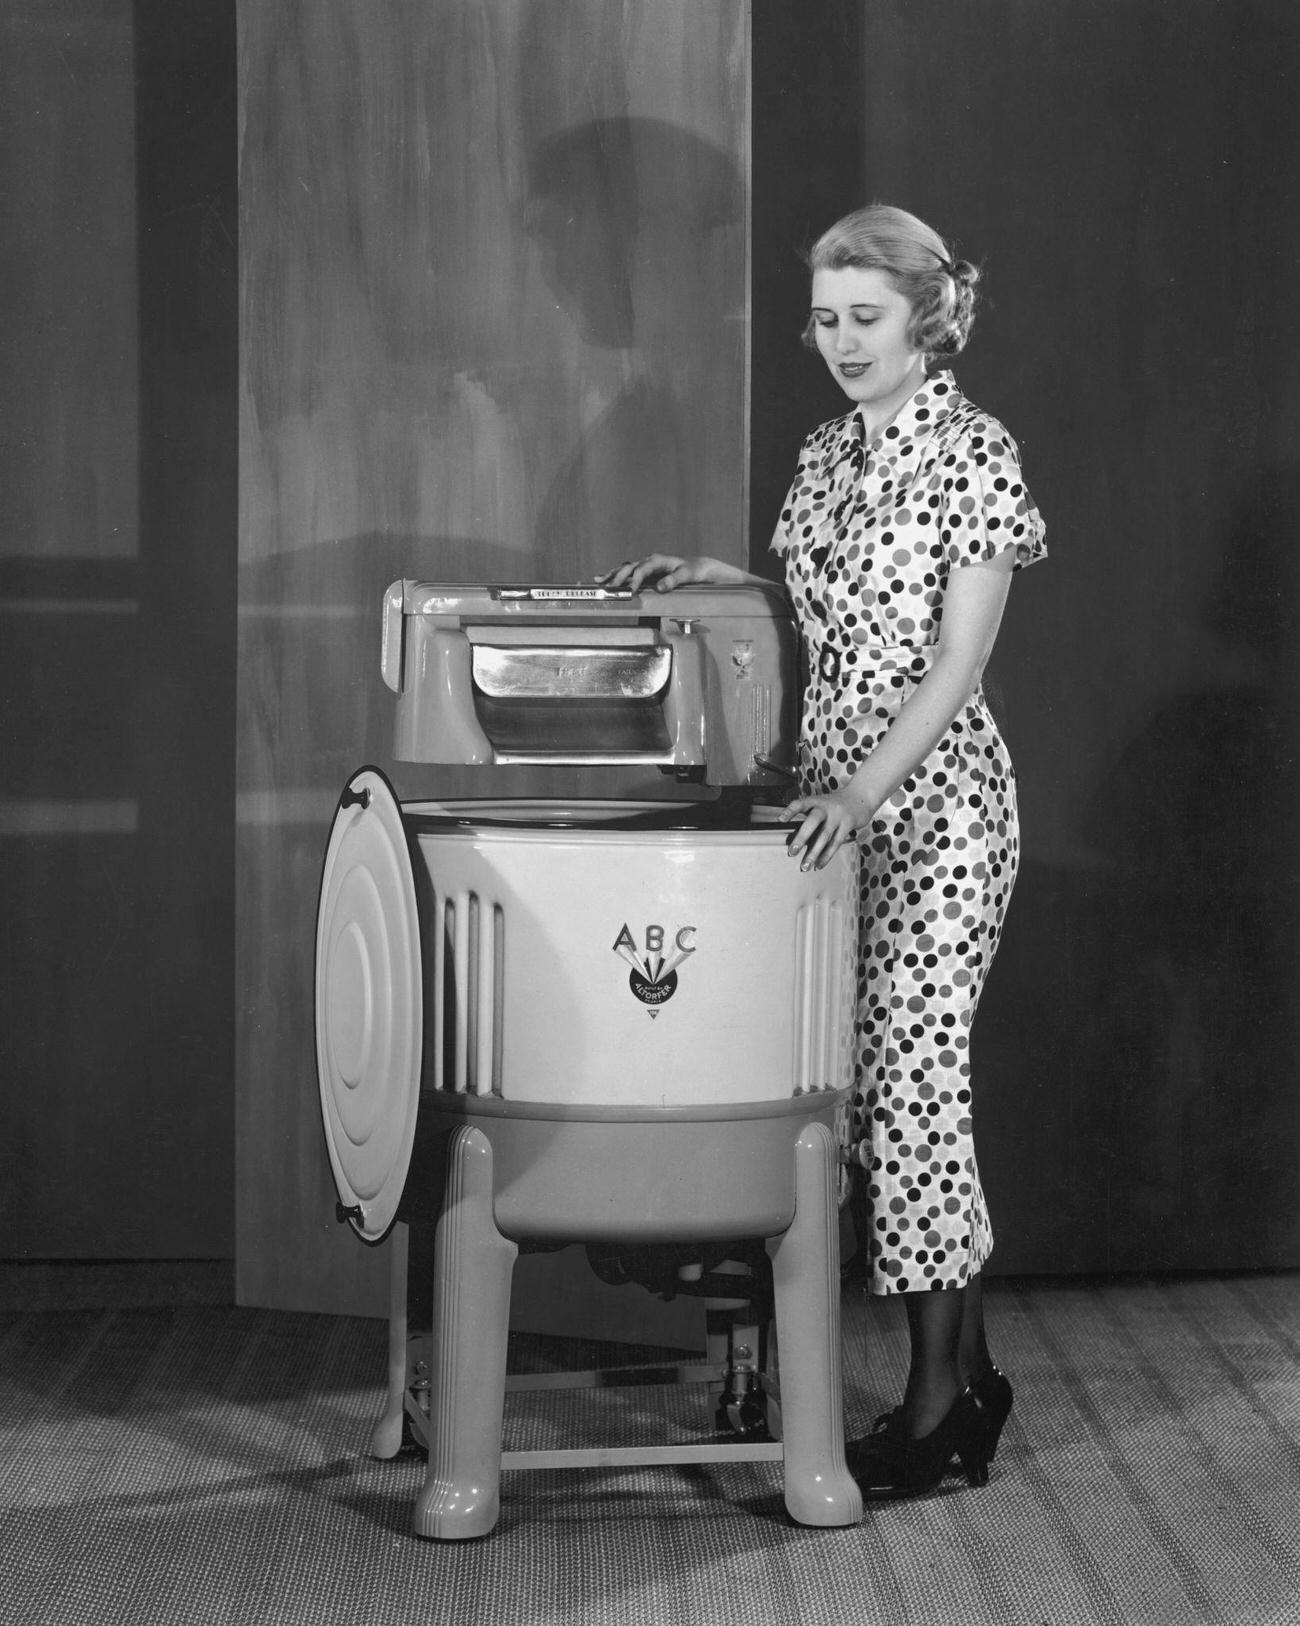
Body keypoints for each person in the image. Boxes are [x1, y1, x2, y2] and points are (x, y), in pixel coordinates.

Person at [598, 203, 1046, 1495]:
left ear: (926, 317)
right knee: (858, 1095)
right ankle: (970, 1374)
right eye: (827, 319)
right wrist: (720, 575)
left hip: (936, 807)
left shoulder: (975, 450)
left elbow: (957, 662)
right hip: (831, 801)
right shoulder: (827, 449)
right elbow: (828, 607)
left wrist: (861, 794)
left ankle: (935, 1407)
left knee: (913, 1085)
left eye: (867, 318)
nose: (842, 341)